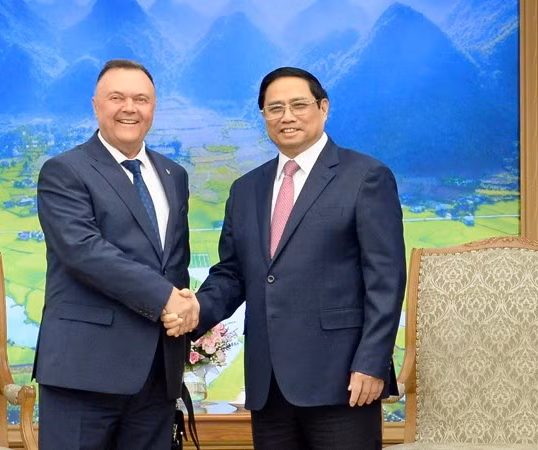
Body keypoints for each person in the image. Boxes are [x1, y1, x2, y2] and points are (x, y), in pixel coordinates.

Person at [166, 67, 406, 449]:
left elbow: (386, 279)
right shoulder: (246, 189)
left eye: (298, 105)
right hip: (269, 384)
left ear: (323, 108)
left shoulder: (366, 177)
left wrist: (372, 362)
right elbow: (232, 274)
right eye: (274, 108)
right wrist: (194, 309)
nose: (287, 116)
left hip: (343, 380)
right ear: (263, 116)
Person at [33, 59, 199, 450]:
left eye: (141, 99)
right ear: (96, 105)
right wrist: (166, 299)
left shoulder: (175, 175)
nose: (130, 107)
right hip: (83, 372)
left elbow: (175, 264)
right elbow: (84, 252)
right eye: (117, 97)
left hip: (157, 375)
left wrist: (187, 308)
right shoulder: (64, 171)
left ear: (153, 108)